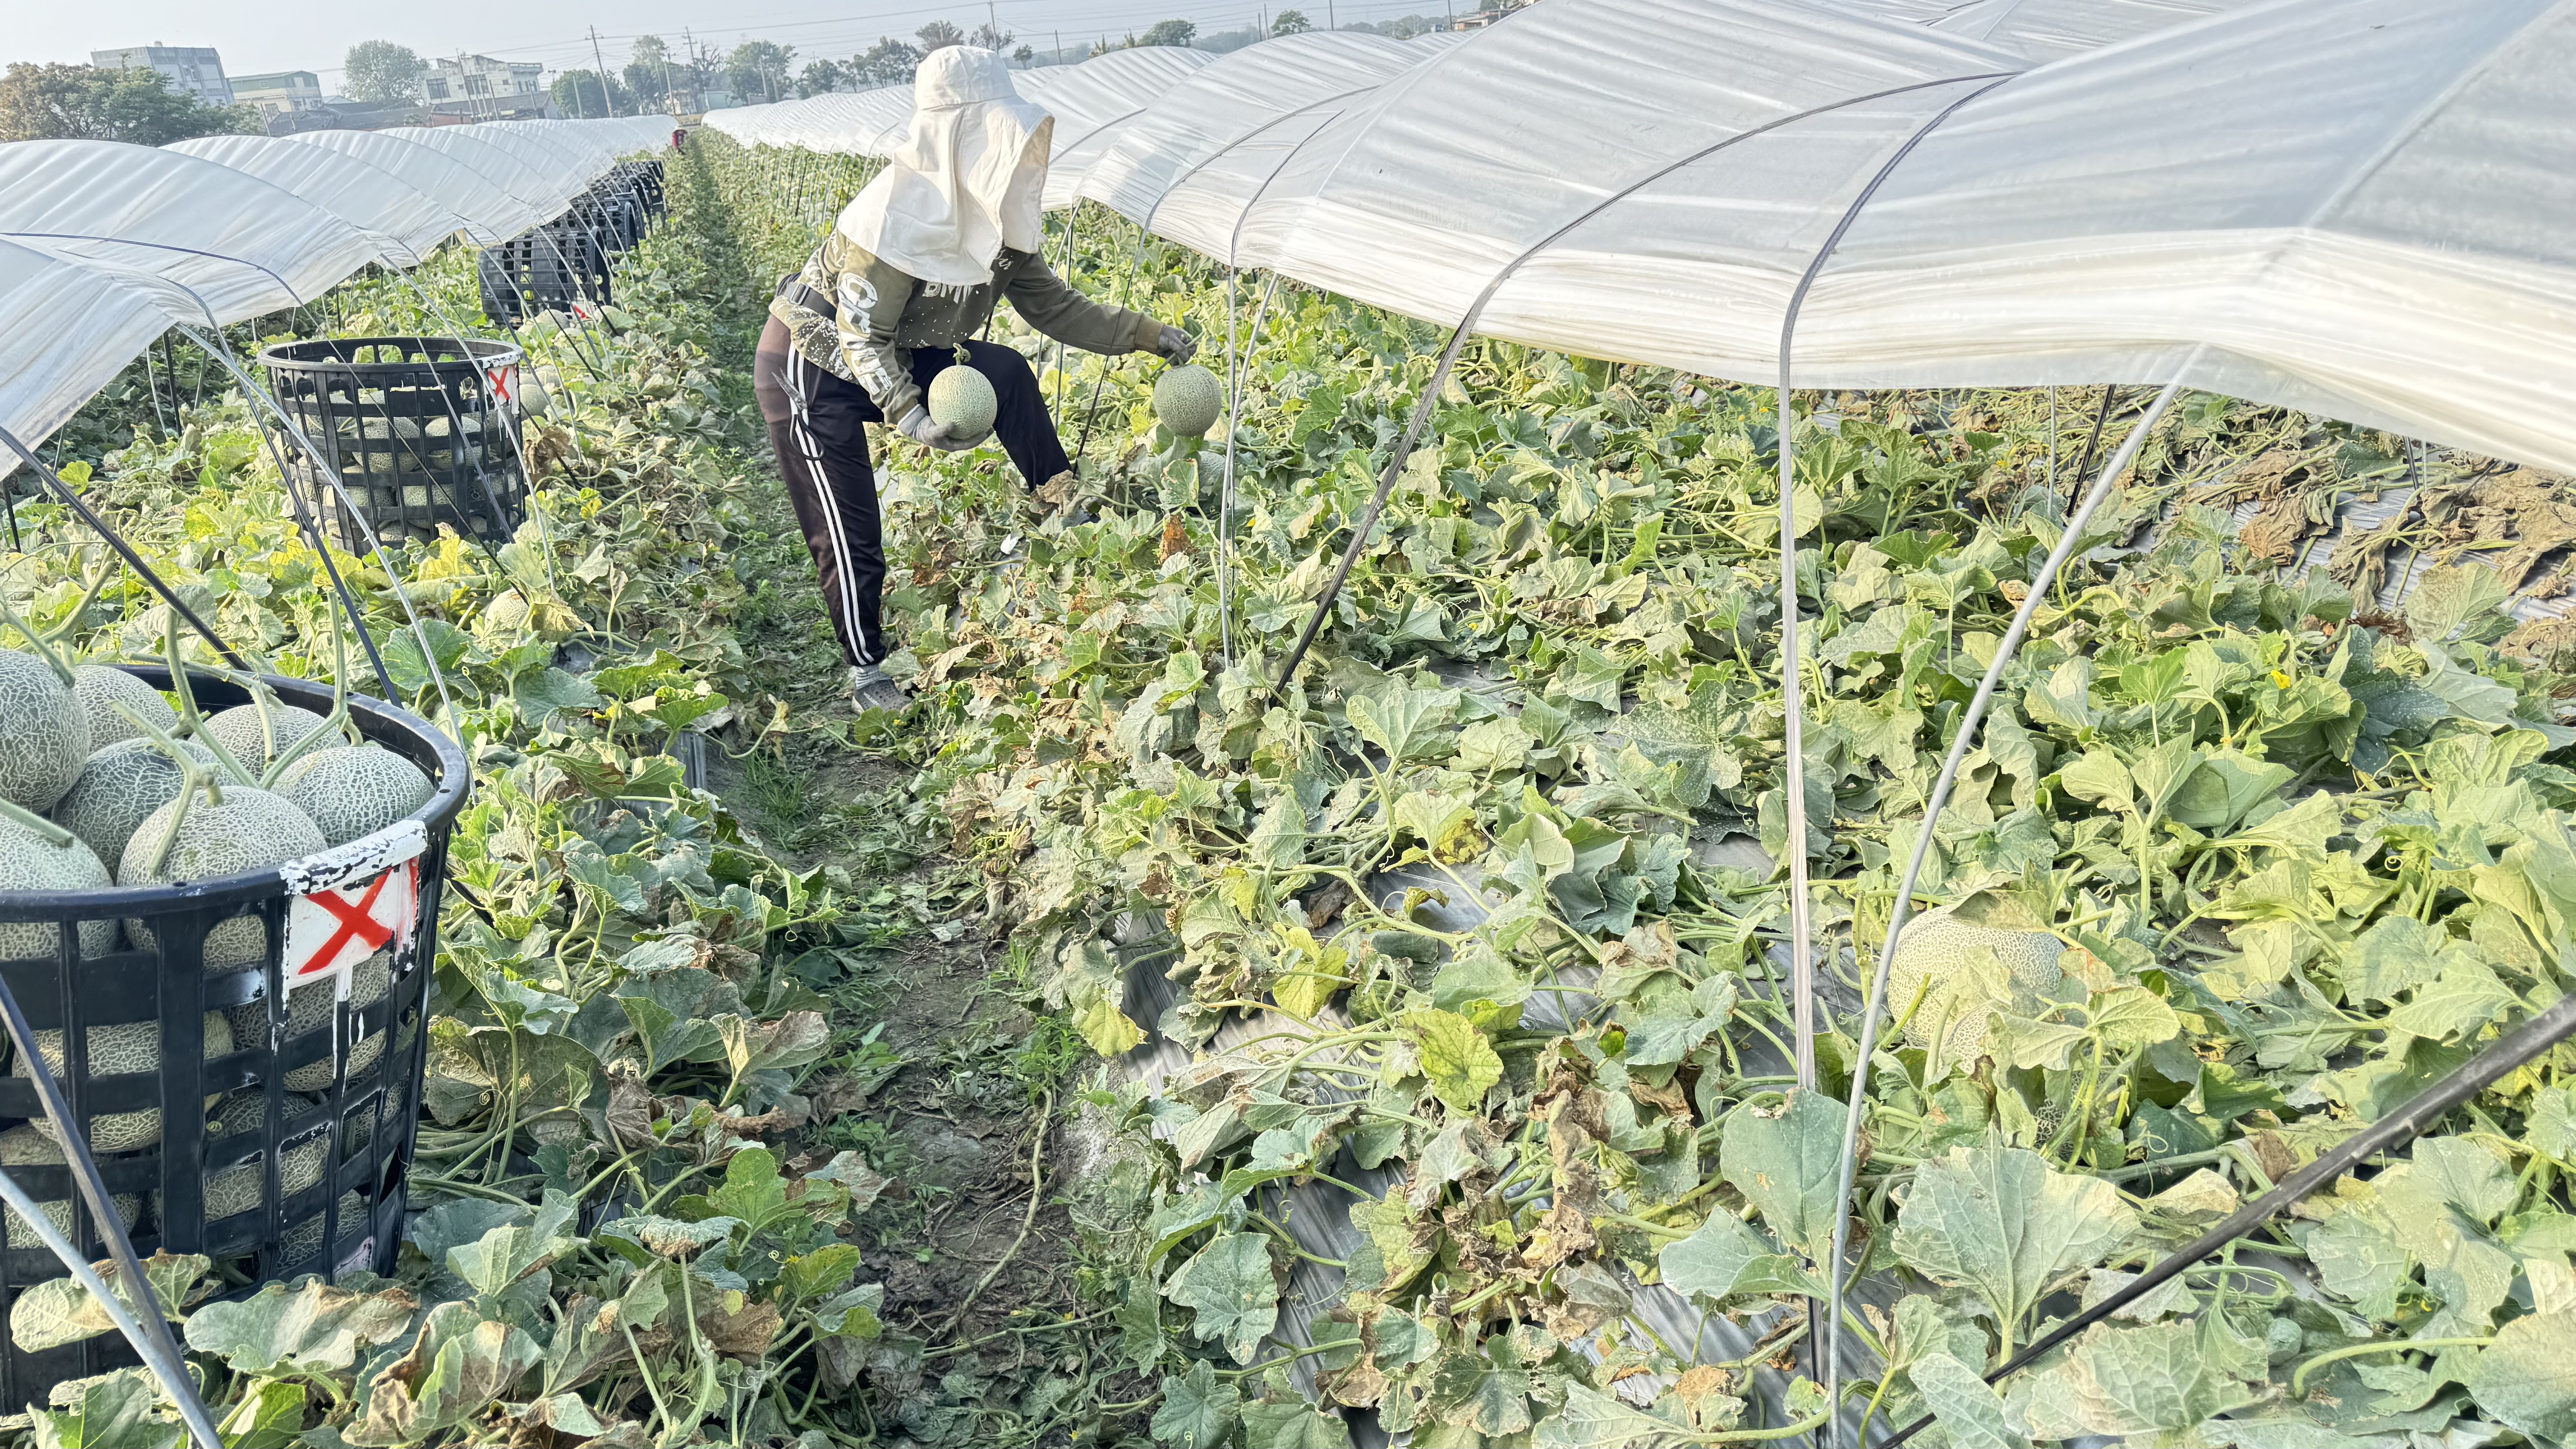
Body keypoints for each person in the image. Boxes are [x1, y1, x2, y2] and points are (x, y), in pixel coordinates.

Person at [752, 45, 1195, 715]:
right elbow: (860, 335)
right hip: (813, 362)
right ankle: (866, 669)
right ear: (958, 135)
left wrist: (1147, 334)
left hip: (896, 346)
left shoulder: (996, 214)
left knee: (1007, 371)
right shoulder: (893, 214)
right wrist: (909, 414)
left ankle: (1062, 500)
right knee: (849, 525)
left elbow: (1055, 307)